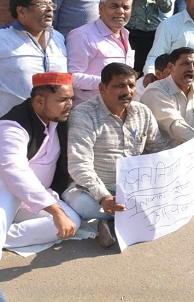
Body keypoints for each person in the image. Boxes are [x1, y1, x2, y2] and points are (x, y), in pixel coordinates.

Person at [0, 72, 81, 302]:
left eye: (71, 98)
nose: (69, 105)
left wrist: (59, 212)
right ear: (39, 101)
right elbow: (15, 173)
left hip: (33, 195)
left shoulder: (59, 120)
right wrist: (54, 210)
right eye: (63, 99)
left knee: (72, 222)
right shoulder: (11, 125)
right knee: (9, 186)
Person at [64, 63, 168, 247]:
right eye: (120, 85)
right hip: (96, 191)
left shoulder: (142, 112)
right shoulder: (84, 115)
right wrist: (103, 197)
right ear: (102, 88)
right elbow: (79, 164)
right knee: (81, 204)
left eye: (131, 85)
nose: (127, 91)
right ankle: (118, 221)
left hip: (135, 189)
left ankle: (110, 224)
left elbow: (157, 148)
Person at [66, 0, 135, 106]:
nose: (120, 11)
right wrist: (110, 83)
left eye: (126, 7)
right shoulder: (82, 35)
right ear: (101, 8)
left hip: (119, 108)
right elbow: (71, 77)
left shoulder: (125, 34)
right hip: (89, 110)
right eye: (114, 6)